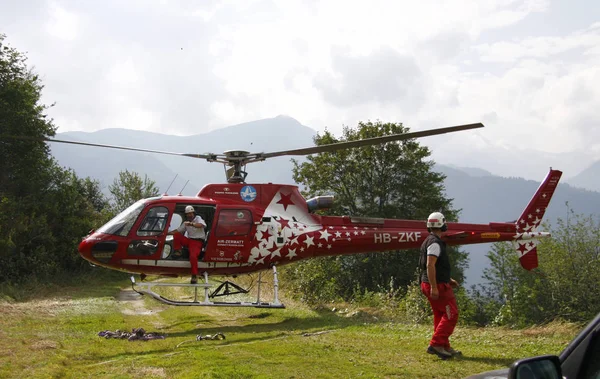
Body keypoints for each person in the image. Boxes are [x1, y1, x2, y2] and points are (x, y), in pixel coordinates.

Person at [419, 211, 461, 359]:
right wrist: (435, 287)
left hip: (435, 283)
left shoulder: (430, 240)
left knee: (441, 314)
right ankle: (436, 344)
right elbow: (430, 265)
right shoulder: (435, 243)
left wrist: (448, 279)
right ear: (442, 224)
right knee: (452, 314)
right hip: (436, 286)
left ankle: (444, 346)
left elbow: (437, 266)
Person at [167, 205, 207, 284]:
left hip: (197, 242)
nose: (189, 215)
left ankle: (194, 275)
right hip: (189, 240)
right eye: (188, 214)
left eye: (190, 213)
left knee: (192, 256)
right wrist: (167, 233)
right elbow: (178, 231)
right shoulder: (186, 223)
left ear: (193, 213)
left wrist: (191, 224)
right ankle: (178, 251)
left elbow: (202, 225)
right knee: (177, 235)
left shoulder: (198, 218)